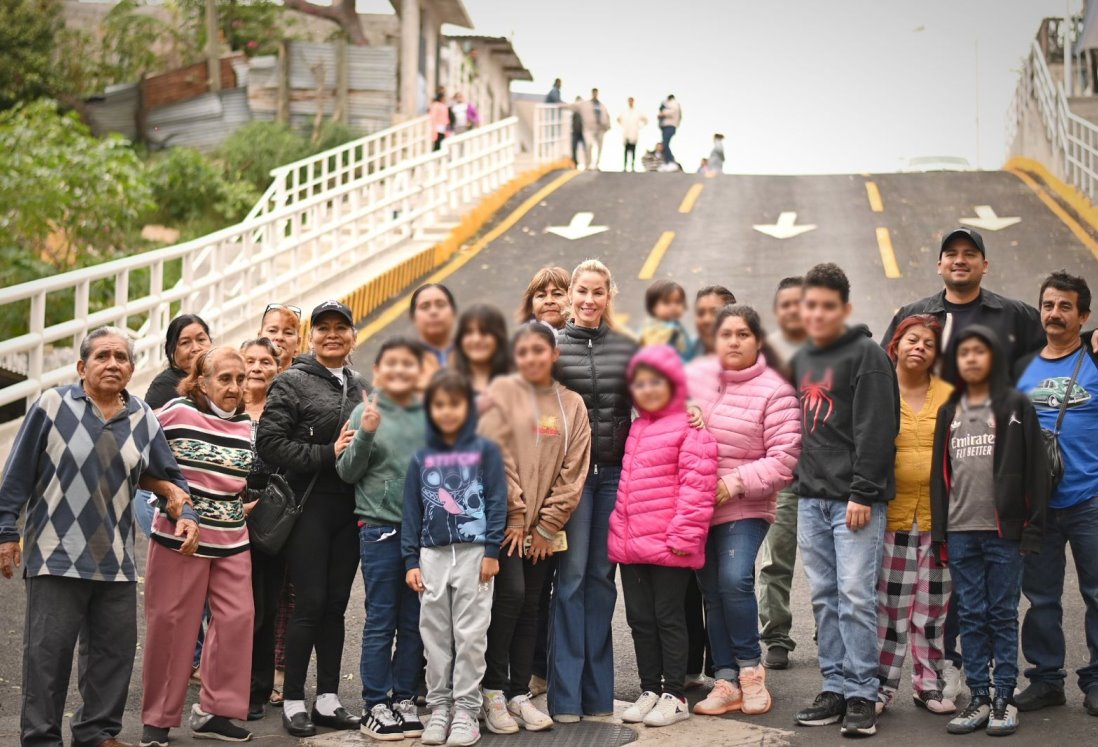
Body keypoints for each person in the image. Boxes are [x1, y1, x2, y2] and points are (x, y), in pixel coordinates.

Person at [0, 327, 195, 747]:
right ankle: (40, 738)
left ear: (132, 368)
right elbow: (16, 474)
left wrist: (185, 510)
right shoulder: (51, 406)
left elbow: (171, 477)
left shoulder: (143, 418)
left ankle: (96, 733)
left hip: (116, 559)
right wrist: (5, 531)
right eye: (102, 356)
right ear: (81, 366)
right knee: (47, 657)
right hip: (54, 554)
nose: (112, 364)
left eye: (121, 357)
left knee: (112, 655)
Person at [791, 263, 899, 738]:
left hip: (853, 502)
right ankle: (834, 686)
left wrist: (862, 491)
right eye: (810, 304)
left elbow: (877, 430)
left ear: (844, 308)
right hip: (811, 499)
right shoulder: (803, 357)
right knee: (824, 598)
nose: (817, 313)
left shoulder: (867, 355)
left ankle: (862, 693)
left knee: (856, 597)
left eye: (827, 305)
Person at [257, 300, 369, 737]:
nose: (332, 334)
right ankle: (293, 699)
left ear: (352, 336)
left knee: (337, 607)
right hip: (307, 507)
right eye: (323, 328)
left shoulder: (361, 385)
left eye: (341, 327)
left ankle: (327, 697)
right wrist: (327, 453)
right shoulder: (291, 381)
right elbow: (270, 443)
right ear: (311, 337)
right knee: (309, 604)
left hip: (349, 510)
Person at [931, 326, 1049, 737]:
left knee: (1002, 614)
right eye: (964, 353)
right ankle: (979, 696)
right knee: (972, 615)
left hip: (1004, 533)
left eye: (981, 351)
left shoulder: (1015, 405)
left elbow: (1037, 469)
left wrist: (1033, 528)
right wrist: (941, 533)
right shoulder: (950, 409)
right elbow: (938, 475)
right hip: (961, 532)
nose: (972, 359)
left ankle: (1004, 696)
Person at [477, 323, 592, 734]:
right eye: (522, 351)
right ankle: (490, 692)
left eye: (539, 351)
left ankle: (517, 691)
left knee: (532, 607)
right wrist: (518, 517)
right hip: (505, 524)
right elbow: (497, 459)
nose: (531, 359)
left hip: (544, 530)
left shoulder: (571, 404)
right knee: (510, 597)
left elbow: (574, 469)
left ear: (554, 354)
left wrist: (546, 525)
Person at [687, 306, 801, 718]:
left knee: (734, 581)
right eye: (726, 334)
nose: (733, 342)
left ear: (757, 340)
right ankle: (725, 679)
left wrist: (732, 483)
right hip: (698, 507)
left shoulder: (775, 389)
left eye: (743, 334)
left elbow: (784, 458)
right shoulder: (695, 379)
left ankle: (751, 673)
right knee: (712, 592)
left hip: (746, 505)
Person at [141, 346, 256, 745]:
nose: (234, 387)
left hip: (233, 537)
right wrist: (165, 497)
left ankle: (216, 712)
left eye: (240, 379)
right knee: (173, 626)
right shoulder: (175, 412)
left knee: (238, 620)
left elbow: (237, 480)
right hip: (180, 538)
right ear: (201, 381)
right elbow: (138, 451)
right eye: (224, 378)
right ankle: (157, 720)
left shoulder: (245, 424)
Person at [550, 259, 638, 722]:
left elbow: (655, 398)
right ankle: (565, 697)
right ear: (570, 296)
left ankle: (598, 697)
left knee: (603, 582)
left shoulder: (627, 347)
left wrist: (692, 409)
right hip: (572, 481)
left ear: (609, 296)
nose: (589, 300)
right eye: (581, 291)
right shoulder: (553, 347)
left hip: (615, 478)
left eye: (598, 292)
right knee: (571, 581)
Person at [611, 344, 718, 728]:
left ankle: (674, 693)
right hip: (633, 544)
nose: (648, 389)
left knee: (668, 617)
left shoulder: (691, 427)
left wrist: (685, 535)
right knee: (640, 619)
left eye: (656, 381)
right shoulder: (638, 427)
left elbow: (698, 485)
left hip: (670, 543)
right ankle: (649, 688)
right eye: (640, 383)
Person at [401, 370, 508, 747]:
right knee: (434, 636)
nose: (448, 412)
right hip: (431, 555)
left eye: (456, 405)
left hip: (474, 554)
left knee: (471, 634)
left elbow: (497, 502)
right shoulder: (421, 455)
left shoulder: (486, 450)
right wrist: (411, 560)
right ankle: (439, 707)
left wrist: (492, 550)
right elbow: (411, 511)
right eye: (440, 405)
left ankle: (466, 710)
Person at [1014, 271, 1098, 717]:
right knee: (1041, 597)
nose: (1055, 313)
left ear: (1083, 316)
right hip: (1038, 506)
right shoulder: (1023, 367)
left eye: (1066, 307)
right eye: (1048, 305)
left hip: (1090, 499)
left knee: (1097, 593)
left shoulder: (1096, 360)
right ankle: (1046, 680)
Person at [336, 339, 428, 740]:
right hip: (379, 530)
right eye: (392, 365)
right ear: (379, 369)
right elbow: (347, 473)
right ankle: (375, 702)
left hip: (424, 535)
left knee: (414, 622)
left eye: (408, 364)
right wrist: (366, 434)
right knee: (381, 619)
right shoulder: (364, 411)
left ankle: (404, 696)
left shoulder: (430, 414)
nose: (400, 372)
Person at [876, 315, 955, 714]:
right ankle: (880, 689)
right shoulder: (880, 389)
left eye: (927, 342)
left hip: (939, 522)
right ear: (896, 344)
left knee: (931, 611)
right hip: (893, 518)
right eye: (911, 339)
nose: (918, 347)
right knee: (890, 612)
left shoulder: (949, 393)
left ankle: (929, 685)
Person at [881, 228, 1044, 385]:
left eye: (970, 254)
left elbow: (1056, 357)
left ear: (985, 266)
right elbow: (882, 371)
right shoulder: (912, 315)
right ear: (939, 266)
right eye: (951, 254)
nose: (959, 260)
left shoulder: (1016, 314)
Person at [758, 276, 807, 669]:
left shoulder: (833, 349)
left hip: (828, 474)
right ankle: (776, 635)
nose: (794, 310)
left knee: (834, 562)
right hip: (784, 475)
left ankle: (832, 630)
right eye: (786, 303)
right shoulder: (766, 354)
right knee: (777, 558)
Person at [237, 337, 287, 723]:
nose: (256, 367)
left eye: (264, 361)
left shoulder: (283, 410)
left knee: (265, 606)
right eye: (248, 360)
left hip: (271, 513)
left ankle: (256, 688)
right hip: (228, 510)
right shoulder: (224, 408)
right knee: (230, 608)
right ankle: (224, 685)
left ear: (277, 367)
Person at [145, 313, 212, 409]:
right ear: (171, 350)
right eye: (185, 342)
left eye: (201, 339)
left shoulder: (223, 376)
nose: (196, 348)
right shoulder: (163, 387)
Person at [452, 304, 512, 395]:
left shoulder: (517, 383)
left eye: (484, 332)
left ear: (499, 338)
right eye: (469, 332)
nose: (476, 340)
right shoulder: (448, 384)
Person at [410, 283, 458, 386]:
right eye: (424, 306)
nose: (433, 311)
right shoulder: (402, 361)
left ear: (454, 312)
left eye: (440, 304)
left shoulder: (472, 353)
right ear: (413, 317)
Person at [639, 279, 691, 360]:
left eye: (678, 302)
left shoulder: (675, 324)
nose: (673, 307)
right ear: (653, 306)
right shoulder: (654, 330)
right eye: (666, 302)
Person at [688, 285, 736, 360]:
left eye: (715, 312)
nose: (706, 320)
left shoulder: (747, 353)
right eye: (700, 313)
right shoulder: (684, 350)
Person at [516, 265, 571, 330]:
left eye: (557, 294)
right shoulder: (521, 339)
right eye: (541, 295)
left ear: (572, 299)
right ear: (531, 306)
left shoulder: (585, 337)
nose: (549, 301)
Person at [567, 90, 611, 171]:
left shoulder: (601, 105)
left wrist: (607, 126)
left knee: (599, 148)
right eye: (594, 93)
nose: (595, 94)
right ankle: (588, 164)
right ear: (592, 94)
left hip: (600, 129)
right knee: (588, 145)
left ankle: (597, 164)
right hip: (590, 129)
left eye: (596, 93)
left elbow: (607, 116)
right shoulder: (586, 105)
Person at [260, 303, 304, 370]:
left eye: (288, 333)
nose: (279, 337)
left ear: (298, 342)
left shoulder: (309, 379)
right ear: (259, 336)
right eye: (272, 331)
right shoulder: (243, 375)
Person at [617, 97, 648, 172]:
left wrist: (639, 127)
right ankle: (625, 167)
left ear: (633, 102)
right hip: (626, 134)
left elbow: (646, 120)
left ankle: (632, 167)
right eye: (629, 101)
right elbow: (618, 119)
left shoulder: (637, 112)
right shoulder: (624, 112)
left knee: (633, 151)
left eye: (632, 101)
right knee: (626, 151)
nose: (630, 102)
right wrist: (623, 125)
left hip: (634, 134)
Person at [658, 95, 681, 165]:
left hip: (670, 126)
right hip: (666, 126)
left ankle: (671, 162)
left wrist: (663, 112)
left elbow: (673, 112)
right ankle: (667, 162)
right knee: (664, 144)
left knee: (665, 144)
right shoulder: (670, 104)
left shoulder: (674, 103)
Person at [570, 97, 586, 167]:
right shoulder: (574, 111)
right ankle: (575, 162)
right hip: (575, 132)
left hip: (583, 132)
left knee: (586, 148)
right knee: (574, 148)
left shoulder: (584, 111)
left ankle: (587, 163)